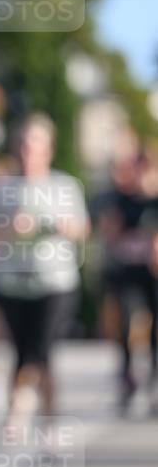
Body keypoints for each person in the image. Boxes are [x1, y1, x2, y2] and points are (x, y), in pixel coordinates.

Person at [0, 114, 89, 427]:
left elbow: (82, 228)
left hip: (55, 281)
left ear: (48, 149)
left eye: (35, 144)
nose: (29, 151)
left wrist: (65, 227)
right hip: (13, 283)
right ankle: (50, 421)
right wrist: (10, 228)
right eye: (24, 144)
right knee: (30, 353)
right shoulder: (0, 189)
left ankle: (19, 406)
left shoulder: (64, 186)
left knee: (40, 346)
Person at [93, 148, 158, 411]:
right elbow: (107, 232)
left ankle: (154, 380)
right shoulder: (121, 200)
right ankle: (128, 377)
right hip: (127, 273)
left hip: (153, 274)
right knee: (126, 323)